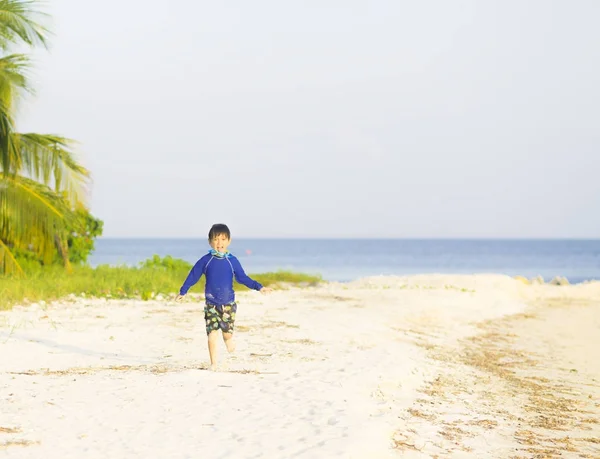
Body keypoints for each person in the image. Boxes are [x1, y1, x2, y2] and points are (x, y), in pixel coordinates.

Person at [175, 223, 271, 370]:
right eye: (216, 239)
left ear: (229, 241)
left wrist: (259, 287)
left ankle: (228, 339)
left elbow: (243, 278)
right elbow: (193, 275)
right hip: (211, 304)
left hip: (228, 304)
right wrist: (183, 291)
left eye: (223, 239)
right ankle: (213, 363)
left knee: (226, 334)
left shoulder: (232, 261)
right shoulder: (206, 260)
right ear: (210, 241)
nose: (219, 243)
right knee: (212, 334)